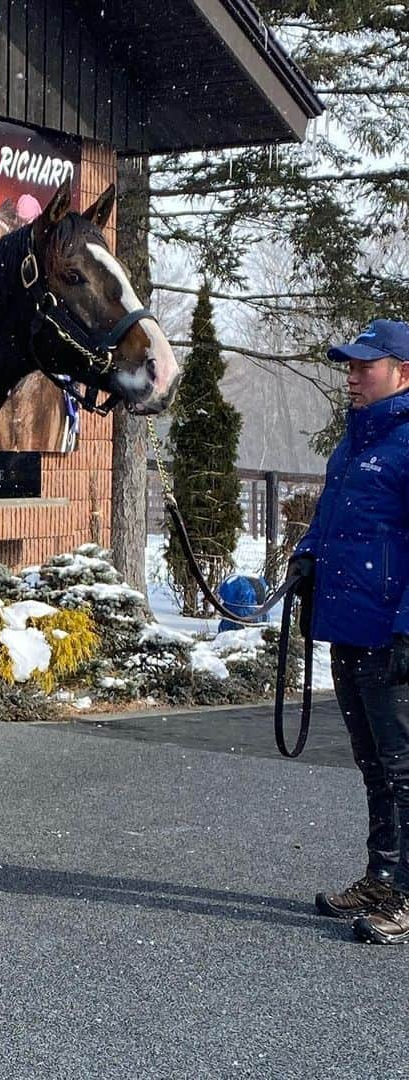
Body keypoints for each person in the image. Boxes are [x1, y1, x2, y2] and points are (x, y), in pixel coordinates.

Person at [288, 319, 409, 943]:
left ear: (402, 373)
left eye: (365, 366)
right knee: (374, 765)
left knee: (403, 767)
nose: (352, 376)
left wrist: (406, 634)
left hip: (391, 636)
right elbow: (331, 522)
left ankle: (405, 892)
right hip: (351, 627)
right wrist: (308, 551)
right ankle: (382, 877)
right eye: (350, 366)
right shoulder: (355, 443)